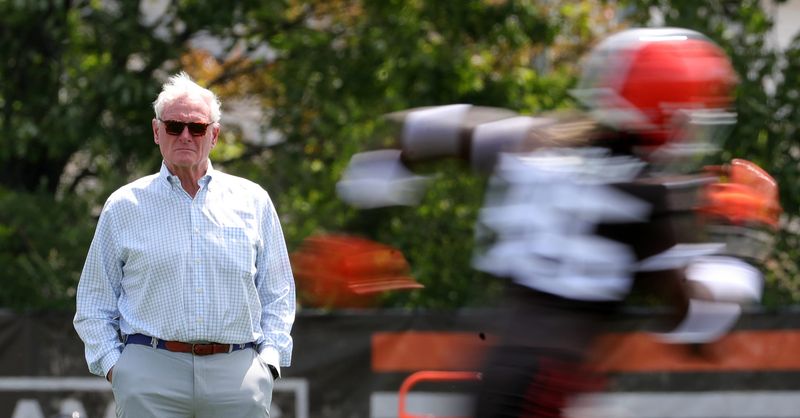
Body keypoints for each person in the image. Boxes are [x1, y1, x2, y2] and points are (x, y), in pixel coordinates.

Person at [336, 27, 780, 417]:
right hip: (547, 387)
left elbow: (423, 131)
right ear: (669, 113)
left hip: (499, 368)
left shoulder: (535, 140)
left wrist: (363, 210)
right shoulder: (646, 197)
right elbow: (693, 329)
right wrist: (739, 252)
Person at [73, 72, 296, 418]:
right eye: (175, 126)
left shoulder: (253, 201)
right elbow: (93, 303)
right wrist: (120, 371)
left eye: (197, 127)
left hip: (237, 374)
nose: (186, 135)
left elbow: (278, 292)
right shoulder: (123, 206)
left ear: (215, 134)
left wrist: (267, 363)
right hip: (149, 373)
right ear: (156, 131)